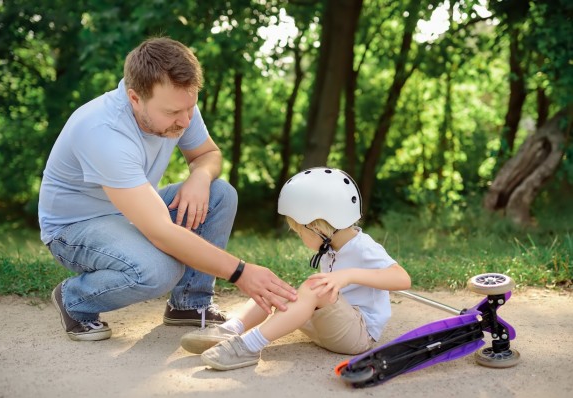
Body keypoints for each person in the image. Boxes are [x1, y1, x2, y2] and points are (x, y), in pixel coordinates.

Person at [38, 37, 296, 342]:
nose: (185, 120)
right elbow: (160, 231)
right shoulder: (103, 132)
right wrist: (241, 272)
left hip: (133, 208)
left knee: (220, 194)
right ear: (135, 98)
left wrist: (199, 177)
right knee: (158, 271)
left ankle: (189, 304)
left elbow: (208, 155)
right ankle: (75, 299)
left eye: (191, 107)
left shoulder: (179, 104)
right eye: (174, 112)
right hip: (74, 228)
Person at [179, 167, 411, 370]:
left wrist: (347, 275)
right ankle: (232, 329)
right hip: (328, 327)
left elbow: (402, 278)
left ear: (319, 226)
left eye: (300, 231)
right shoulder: (331, 248)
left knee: (314, 286)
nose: (299, 237)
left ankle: (249, 346)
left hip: (358, 334)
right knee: (276, 287)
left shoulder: (363, 246)